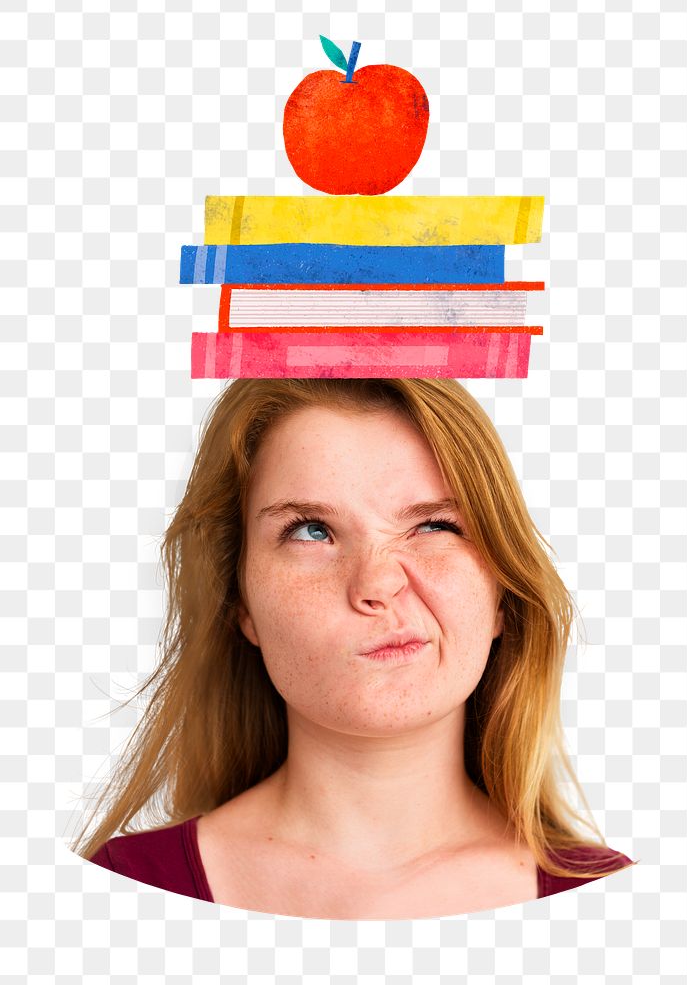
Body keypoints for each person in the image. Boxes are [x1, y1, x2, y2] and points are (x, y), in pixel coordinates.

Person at [70, 378, 636, 918]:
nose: (376, 585)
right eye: (311, 530)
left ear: (501, 594)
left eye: (435, 526)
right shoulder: (115, 890)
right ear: (241, 601)